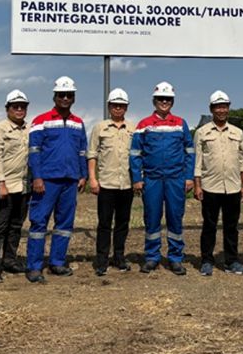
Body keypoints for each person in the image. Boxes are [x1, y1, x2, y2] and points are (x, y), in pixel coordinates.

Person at [25, 76, 87, 283]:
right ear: (55, 96)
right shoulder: (40, 121)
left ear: (74, 97)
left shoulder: (78, 123)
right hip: (47, 180)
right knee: (39, 222)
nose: (65, 98)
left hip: (70, 180)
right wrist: (37, 177)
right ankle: (34, 266)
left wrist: (83, 175)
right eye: (61, 94)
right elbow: (34, 151)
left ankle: (57, 262)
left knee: (64, 224)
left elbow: (81, 151)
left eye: (69, 95)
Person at [130, 81, 195, 275]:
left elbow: (189, 151)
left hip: (175, 178)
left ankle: (175, 258)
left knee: (175, 218)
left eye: (168, 99)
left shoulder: (180, 123)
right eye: (161, 99)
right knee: (152, 218)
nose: (164, 102)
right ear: (154, 100)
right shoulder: (144, 125)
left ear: (172, 101)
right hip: (152, 179)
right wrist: (136, 178)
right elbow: (135, 153)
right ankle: (152, 257)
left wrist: (189, 177)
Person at [193, 90, 243, 276]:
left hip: (233, 186)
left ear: (228, 108)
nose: (221, 110)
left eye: (224, 106)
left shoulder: (238, 132)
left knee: (231, 226)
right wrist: (198, 185)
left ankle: (231, 261)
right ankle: (207, 260)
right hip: (210, 186)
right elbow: (198, 161)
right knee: (209, 225)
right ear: (211, 109)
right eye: (217, 106)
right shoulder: (202, 132)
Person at [0, 89, 31, 283]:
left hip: (22, 186)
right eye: (15, 106)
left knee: (16, 226)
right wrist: (0, 183)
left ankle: (9, 261)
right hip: (3, 187)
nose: (19, 110)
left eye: (23, 107)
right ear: (7, 108)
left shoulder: (29, 129)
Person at [87, 88, 135, 276]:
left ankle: (119, 256)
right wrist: (93, 179)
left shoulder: (133, 128)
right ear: (109, 107)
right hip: (106, 184)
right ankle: (101, 259)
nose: (118, 108)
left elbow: (138, 156)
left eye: (121, 105)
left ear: (126, 107)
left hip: (127, 184)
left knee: (123, 223)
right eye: (115, 105)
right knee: (105, 223)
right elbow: (92, 155)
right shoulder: (100, 128)